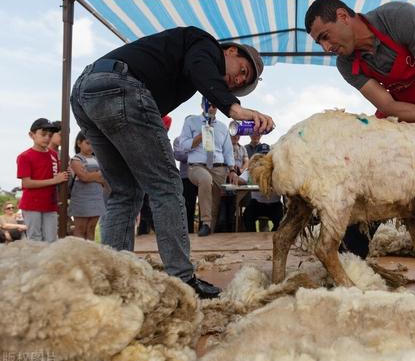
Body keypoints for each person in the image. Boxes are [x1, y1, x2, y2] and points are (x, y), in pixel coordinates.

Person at [70, 26, 273, 299]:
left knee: (125, 191)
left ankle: (111, 279)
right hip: (120, 86)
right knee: (166, 185)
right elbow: (201, 64)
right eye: (242, 72)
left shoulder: (188, 68)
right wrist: (233, 107)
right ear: (231, 51)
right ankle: (182, 278)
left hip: (87, 91)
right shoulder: (204, 44)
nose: (236, 80)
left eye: (239, 84)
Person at [305, 0, 415, 295]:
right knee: (377, 177)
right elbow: (387, 105)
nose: (326, 47)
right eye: (319, 43)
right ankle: (352, 256)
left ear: (343, 16)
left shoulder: (399, 18)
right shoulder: (347, 63)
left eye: (325, 36)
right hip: (407, 108)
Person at [179, 99, 237, 237]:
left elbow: (228, 151)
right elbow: (183, 145)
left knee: (214, 206)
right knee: (205, 179)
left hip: (218, 168)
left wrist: (232, 170)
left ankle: (208, 233)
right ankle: (205, 222)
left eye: (214, 104)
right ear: (202, 105)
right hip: (196, 166)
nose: (211, 107)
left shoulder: (223, 127)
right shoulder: (191, 122)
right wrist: (201, 135)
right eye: (208, 104)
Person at [16, 118, 69, 242]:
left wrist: (65, 175)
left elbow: (58, 177)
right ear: (32, 135)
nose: (47, 138)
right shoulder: (24, 156)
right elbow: (27, 183)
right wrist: (54, 180)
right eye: (43, 134)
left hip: (50, 204)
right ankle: (34, 262)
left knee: (51, 239)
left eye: (50, 135)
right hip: (32, 204)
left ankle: (47, 262)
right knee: (35, 239)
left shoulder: (54, 154)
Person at [68, 132, 106, 241]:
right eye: (88, 143)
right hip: (81, 198)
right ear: (79, 143)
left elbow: (104, 178)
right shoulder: (76, 159)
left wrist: (90, 175)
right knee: (80, 228)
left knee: (91, 228)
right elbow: (83, 177)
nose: (91, 147)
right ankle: (79, 255)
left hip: (97, 197)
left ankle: (90, 254)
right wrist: (98, 175)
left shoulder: (98, 159)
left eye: (93, 144)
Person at [239, 144, 284, 231]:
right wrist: (246, 180)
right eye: (262, 155)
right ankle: (252, 236)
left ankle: (273, 236)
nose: (264, 158)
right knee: (247, 215)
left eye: (266, 155)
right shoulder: (252, 170)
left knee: (280, 218)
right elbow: (240, 179)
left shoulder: (277, 170)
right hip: (257, 203)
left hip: (274, 204)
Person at [173, 136, 197, 234]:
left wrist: (188, 152)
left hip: (205, 174)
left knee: (204, 206)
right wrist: (197, 154)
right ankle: (188, 233)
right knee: (188, 206)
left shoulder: (204, 137)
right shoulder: (178, 139)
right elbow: (179, 155)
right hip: (186, 177)